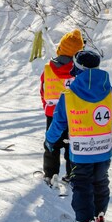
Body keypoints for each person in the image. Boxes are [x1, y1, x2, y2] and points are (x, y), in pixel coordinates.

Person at [45, 50, 112, 222]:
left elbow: (58, 122)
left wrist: (50, 140)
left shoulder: (69, 95)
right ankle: (99, 214)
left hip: (80, 151)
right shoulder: (109, 91)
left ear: (77, 68)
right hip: (102, 150)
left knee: (82, 184)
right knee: (101, 181)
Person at [39, 29, 84, 187]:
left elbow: (43, 90)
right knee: (73, 145)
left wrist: (47, 107)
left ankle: (50, 174)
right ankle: (72, 174)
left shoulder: (48, 68)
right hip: (74, 115)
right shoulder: (80, 72)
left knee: (51, 144)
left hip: (52, 114)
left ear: (60, 48)